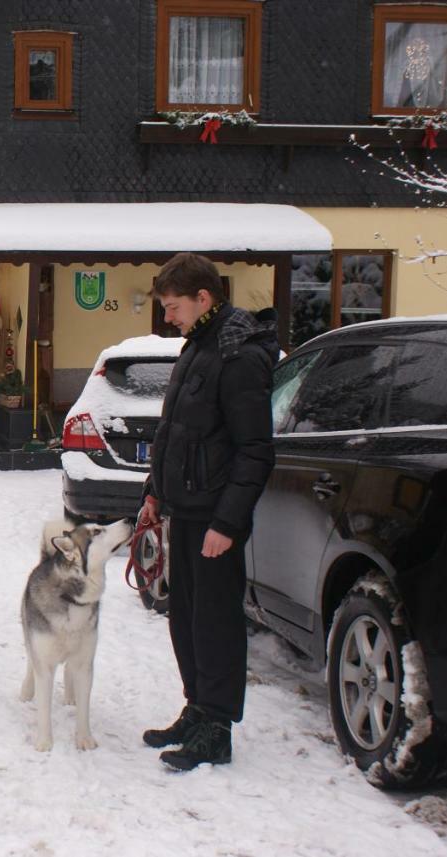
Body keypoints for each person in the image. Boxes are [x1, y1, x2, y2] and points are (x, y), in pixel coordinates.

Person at [138, 252, 277, 771]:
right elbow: (177, 431)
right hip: (186, 508)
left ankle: (216, 728)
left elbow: (255, 450)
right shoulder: (199, 345)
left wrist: (227, 523)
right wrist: (155, 490)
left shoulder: (238, 356)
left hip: (216, 517)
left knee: (216, 624)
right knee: (187, 620)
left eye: (173, 307)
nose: (168, 317)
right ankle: (197, 710)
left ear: (204, 298)